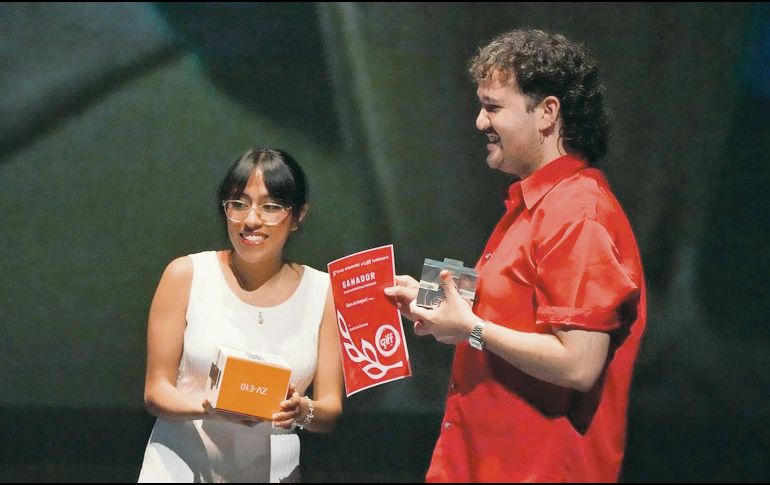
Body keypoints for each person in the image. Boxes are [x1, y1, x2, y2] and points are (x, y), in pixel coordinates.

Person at [385, 29, 646, 482]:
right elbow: (514, 317)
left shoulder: (577, 212)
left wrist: (472, 329)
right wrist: (436, 302)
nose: (480, 123)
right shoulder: (534, 206)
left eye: (493, 107)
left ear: (547, 113)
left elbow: (579, 364)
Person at [138, 148, 343, 482]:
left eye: (271, 207)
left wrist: (302, 409)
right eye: (239, 203)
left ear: (299, 216)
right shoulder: (187, 274)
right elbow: (156, 391)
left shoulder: (323, 291)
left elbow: (330, 409)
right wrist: (212, 407)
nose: (251, 220)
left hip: (273, 471)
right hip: (181, 466)